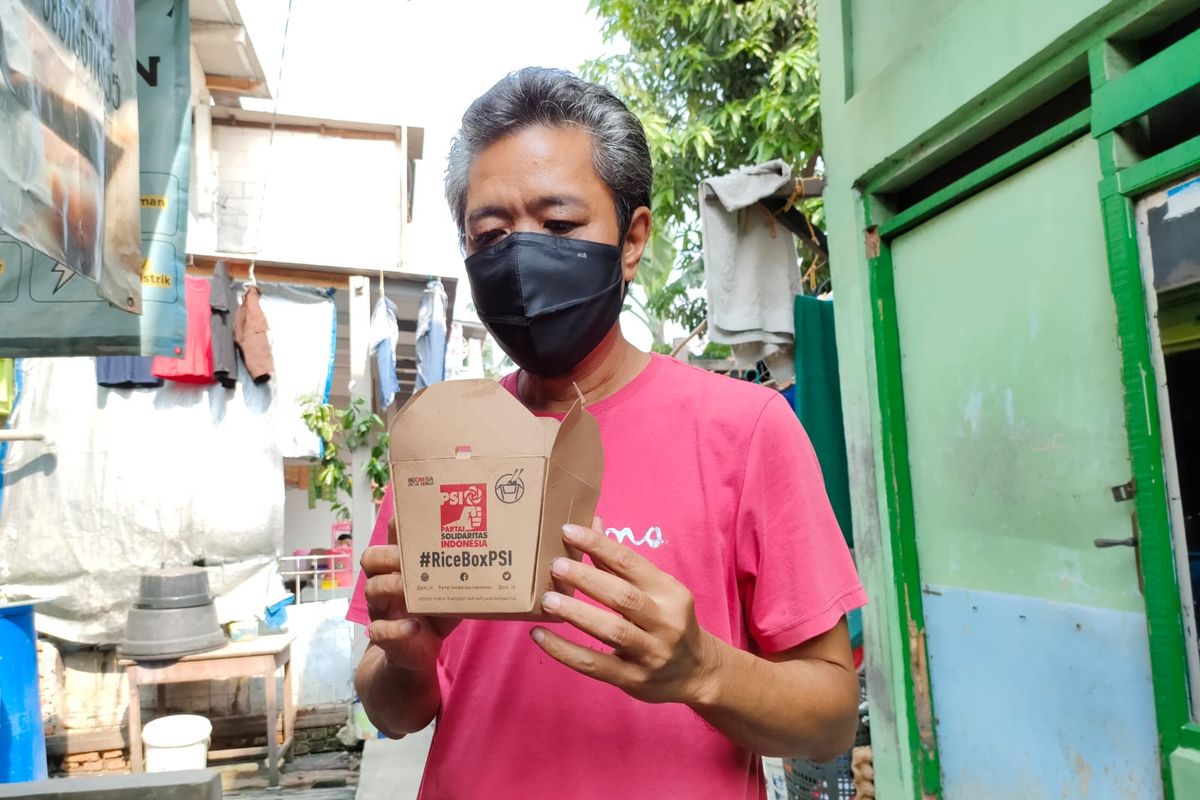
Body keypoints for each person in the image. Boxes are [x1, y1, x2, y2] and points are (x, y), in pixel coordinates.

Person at [347, 67, 867, 799]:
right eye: (491, 234)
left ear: (632, 239)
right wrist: (406, 657)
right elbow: (394, 709)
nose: (523, 260)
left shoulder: (746, 430)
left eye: (559, 226)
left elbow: (831, 719)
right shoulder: (442, 440)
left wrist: (704, 671)